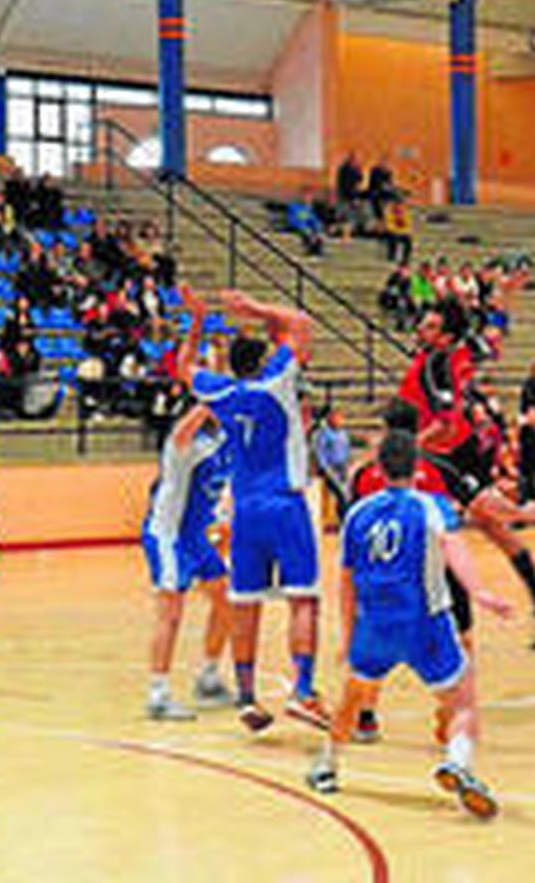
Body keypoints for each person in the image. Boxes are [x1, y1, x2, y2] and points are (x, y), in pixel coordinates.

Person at [305, 430, 512, 819]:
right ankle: (458, 763)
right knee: (463, 700)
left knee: (353, 696)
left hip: (375, 624)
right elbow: (454, 547)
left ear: (379, 469)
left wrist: (348, 635)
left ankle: (327, 765)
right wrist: (479, 591)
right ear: (417, 467)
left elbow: (346, 581)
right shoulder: (430, 506)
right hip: (425, 623)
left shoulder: (357, 514)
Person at [178, 285, 325, 733]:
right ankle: (302, 692)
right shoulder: (277, 380)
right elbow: (302, 324)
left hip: (245, 512)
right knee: (303, 599)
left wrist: (199, 321)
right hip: (285, 502)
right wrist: (256, 307)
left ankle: (245, 697)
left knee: (246, 605)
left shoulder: (222, 393)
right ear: (265, 358)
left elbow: (184, 367)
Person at [397, 309, 535, 651]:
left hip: (451, 454)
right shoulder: (445, 356)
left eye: (430, 326)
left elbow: (445, 424)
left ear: (444, 336)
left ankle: (530, 513)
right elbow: (482, 342)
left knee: (485, 519)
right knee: (488, 525)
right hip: (452, 450)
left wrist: (407, 448)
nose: (420, 329)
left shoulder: (436, 363)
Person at [140, 404, 235, 720]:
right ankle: (158, 693)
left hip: (196, 537)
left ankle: (208, 676)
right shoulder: (183, 447)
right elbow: (182, 431)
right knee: (171, 612)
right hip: (168, 536)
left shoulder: (225, 443)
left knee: (226, 600)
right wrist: (207, 399)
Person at [312, 407, 352, 530]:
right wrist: (326, 470)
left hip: (342, 467)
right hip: (329, 469)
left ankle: (345, 519)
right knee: (341, 493)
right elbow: (320, 454)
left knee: (347, 492)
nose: (340, 420)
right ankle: (344, 519)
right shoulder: (323, 434)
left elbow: (346, 450)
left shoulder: (343, 433)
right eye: (336, 417)